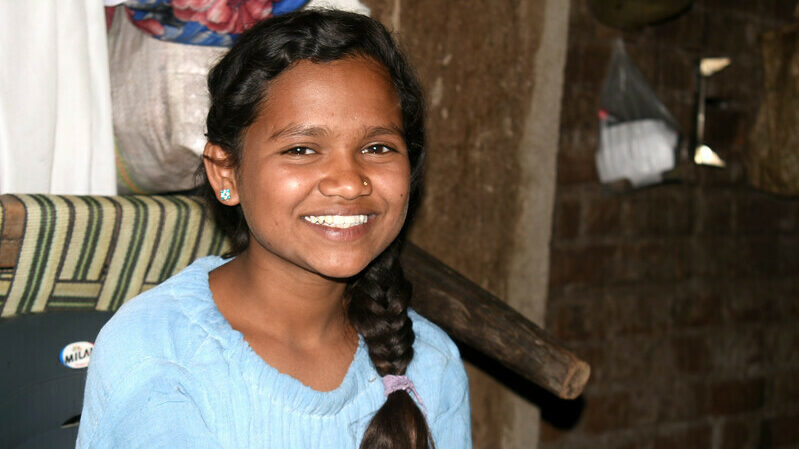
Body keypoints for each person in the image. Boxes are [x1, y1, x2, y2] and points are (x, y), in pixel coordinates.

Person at [76, 9, 472, 449]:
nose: (348, 182)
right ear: (226, 172)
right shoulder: (160, 354)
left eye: (377, 148)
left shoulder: (429, 365)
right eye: (301, 149)